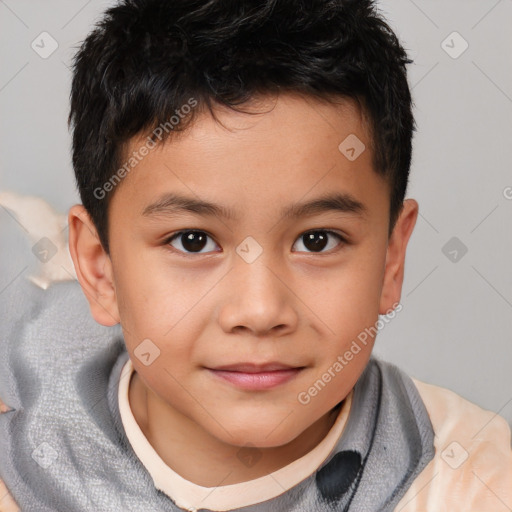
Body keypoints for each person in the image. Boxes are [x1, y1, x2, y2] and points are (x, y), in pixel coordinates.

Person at [1, 0, 511, 510]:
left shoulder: (474, 484)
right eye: (193, 240)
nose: (260, 311)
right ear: (99, 269)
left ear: (391, 260)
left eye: (317, 240)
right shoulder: (21, 430)